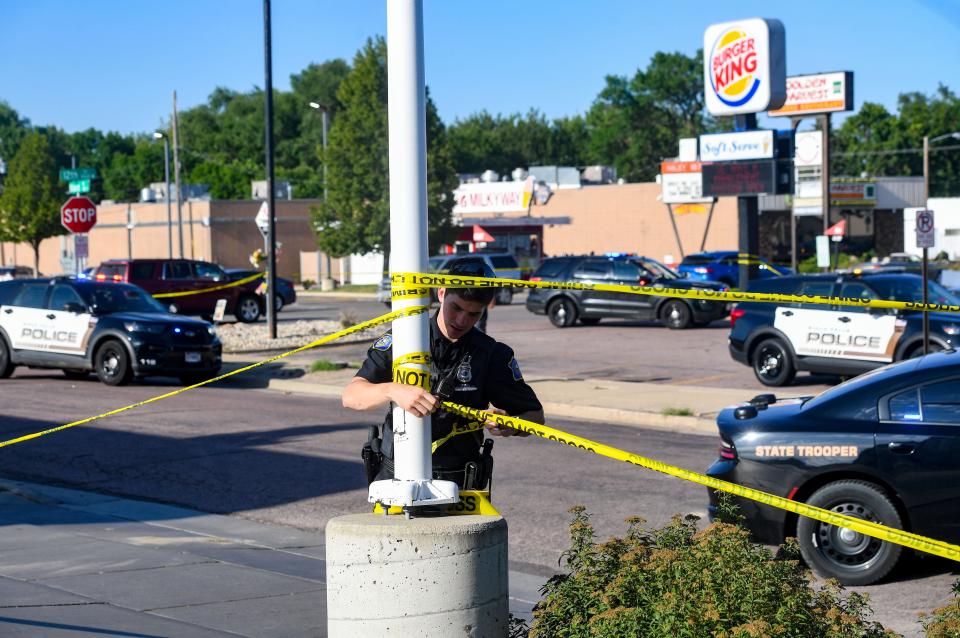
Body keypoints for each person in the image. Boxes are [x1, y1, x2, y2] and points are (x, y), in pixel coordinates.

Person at [344, 259, 544, 490]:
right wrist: (391, 390)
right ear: (441, 293)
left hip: (458, 483)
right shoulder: (403, 339)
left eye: (473, 314)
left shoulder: (491, 355)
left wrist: (512, 424)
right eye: (456, 308)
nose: (461, 320)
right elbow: (351, 396)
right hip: (396, 478)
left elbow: (536, 417)